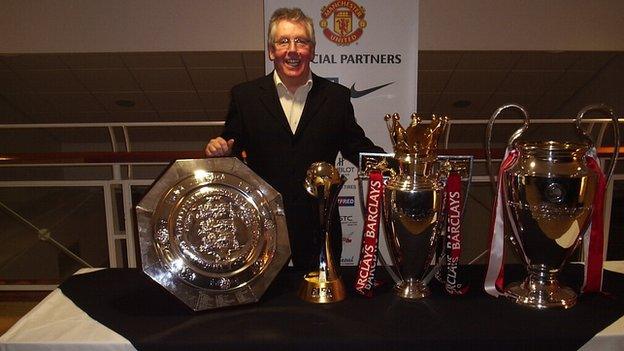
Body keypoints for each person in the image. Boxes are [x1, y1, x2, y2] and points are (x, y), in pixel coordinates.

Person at [205, 7, 383, 271]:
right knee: (267, 310)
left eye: (301, 41)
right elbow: (231, 143)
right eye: (283, 41)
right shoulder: (245, 96)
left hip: (319, 225)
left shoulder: (336, 97)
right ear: (271, 51)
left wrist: (396, 164)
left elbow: (355, 147)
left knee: (325, 311)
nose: (292, 49)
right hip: (263, 227)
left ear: (311, 50)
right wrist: (219, 148)